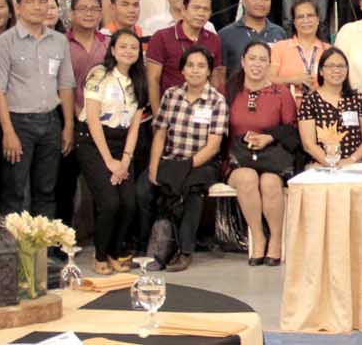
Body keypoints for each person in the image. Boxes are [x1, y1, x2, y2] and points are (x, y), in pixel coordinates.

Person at [0, 0, 76, 219]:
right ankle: (15, 252)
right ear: (17, 8)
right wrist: (8, 131)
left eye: (42, 1)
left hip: (50, 121)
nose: (38, 7)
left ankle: (40, 252)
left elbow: (66, 84)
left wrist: (68, 125)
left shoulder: (59, 41)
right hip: (18, 122)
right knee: (15, 190)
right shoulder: (4, 43)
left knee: (46, 190)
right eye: (31, 1)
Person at [145, 48, 227, 272]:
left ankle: (185, 251)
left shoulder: (216, 101)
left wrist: (185, 166)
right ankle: (155, 247)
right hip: (171, 158)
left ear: (209, 71)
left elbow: (213, 146)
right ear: (182, 69)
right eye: (190, 65)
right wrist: (154, 166)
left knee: (192, 188)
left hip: (202, 162)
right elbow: (160, 133)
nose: (195, 70)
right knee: (143, 191)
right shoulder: (171, 95)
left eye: (201, 66)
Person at [77, 29, 145, 274]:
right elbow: (93, 120)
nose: (128, 51)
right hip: (94, 142)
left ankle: (115, 252)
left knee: (129, 202)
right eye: (123, 46)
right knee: (109, 203)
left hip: (123, 143)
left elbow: (135, 126)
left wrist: (125, 161)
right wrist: (109, 161)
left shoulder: (139, 80)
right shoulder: (99, 74)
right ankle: (100, 255)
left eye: (134, 48)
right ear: (113, 50)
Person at [223, 42, 295, 267]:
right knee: (247, 178)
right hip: (237, 159)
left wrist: (269, 137)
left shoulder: (280, 92)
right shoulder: (229, 91)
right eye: (252, 58)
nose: (257, 64)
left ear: (269, 64)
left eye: (262, 59)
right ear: (243, 61)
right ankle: (258, 236)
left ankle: (275, 239)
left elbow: (292, 129)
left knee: (270, 182)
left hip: (271, 159)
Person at [144, 0, 223, 109]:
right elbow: (153, 80)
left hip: (203, 110)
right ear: (184, 10)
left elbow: (215, 79)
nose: (201, 13)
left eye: (206, 9)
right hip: (170, 109)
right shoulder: (161, 37)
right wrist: (157, 117)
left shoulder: (214, 39)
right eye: (196, 8)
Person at [296, 49, 362, 168]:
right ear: (321, 71)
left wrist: (350, 160)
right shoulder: (310, 101)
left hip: (355, 163)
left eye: (341, 66)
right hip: (321, 164)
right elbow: (308, 144)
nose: (336, 70)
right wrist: (330, 162)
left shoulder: (358, 99)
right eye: (331, 66)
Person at [219, 0, 286, 74]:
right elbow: (219, 73)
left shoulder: (279, 33)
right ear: (244, 1)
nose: (260, 3)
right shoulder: (225, 35)